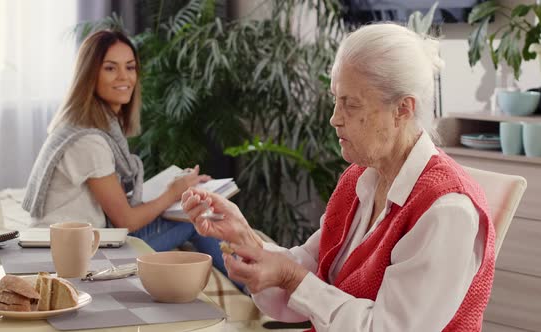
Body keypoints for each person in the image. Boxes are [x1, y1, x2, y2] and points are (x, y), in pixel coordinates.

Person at [181, 23, 495, 331]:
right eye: (336, 99)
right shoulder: (361, 180)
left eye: (351, 104)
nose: (334, 118)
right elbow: (311, 269)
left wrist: (293, 278)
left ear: (403, 109)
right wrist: (243, 237)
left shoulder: (447, 211)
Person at [22, 30, 229, 278]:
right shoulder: (89, 140)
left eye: (130, 67)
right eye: (110, 68)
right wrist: (173, 192)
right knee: (198, 219)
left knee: (192, 211)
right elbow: (126, 221)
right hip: (76, 249)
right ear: (90, 75)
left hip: (72, 240)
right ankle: (253, 292)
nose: (124, 77)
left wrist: (175, 189)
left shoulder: (83, 124)